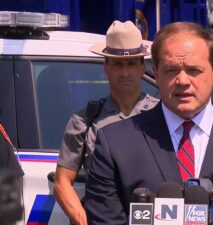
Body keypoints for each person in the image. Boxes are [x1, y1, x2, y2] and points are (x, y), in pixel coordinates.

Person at [84, 21, 213, 224]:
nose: (182, 80)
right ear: (156, 73)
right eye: (171, 70)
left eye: (193, 70)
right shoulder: (115, 144)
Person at [54, 21, 158, 225]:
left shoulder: (162, 115)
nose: (125, 72)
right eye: (118, 64)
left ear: (142, 67)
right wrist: (83, 220)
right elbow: (62, 182)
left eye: (131, 64)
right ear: (106, 67)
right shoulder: (85, 121)